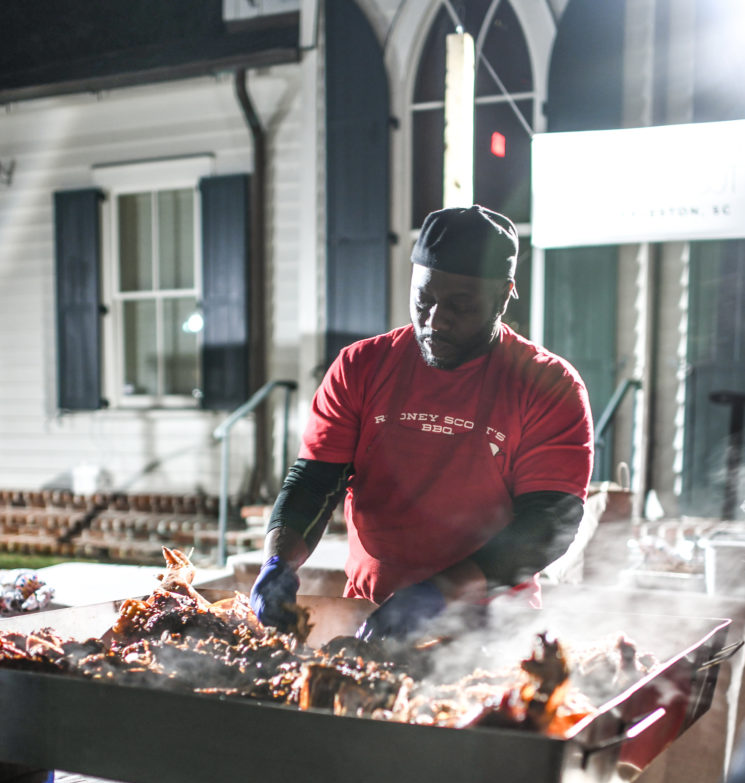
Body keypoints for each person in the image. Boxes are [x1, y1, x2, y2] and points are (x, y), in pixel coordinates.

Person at [250, 204, 594, 640]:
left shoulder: (547, 385)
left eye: (460, 306)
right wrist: (278, 562)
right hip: (369, 612)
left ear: (504, 296)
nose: (435, 321)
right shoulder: (361, 367)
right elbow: (315, 481)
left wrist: (437, 594)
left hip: (493, 628)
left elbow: (548, 524)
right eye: (424, 300)